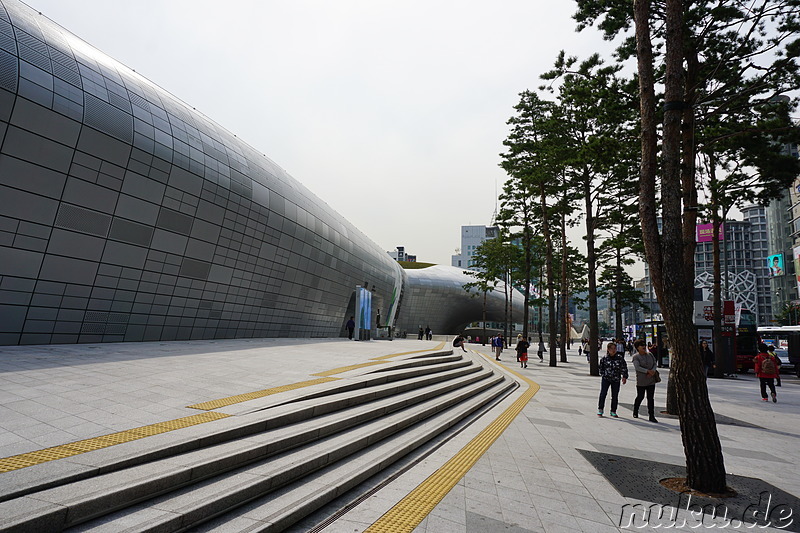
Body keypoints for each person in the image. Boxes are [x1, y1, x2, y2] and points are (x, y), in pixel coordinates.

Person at [597, 341, 628, 418]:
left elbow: (624, 368)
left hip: (616, 379)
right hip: (606, 379)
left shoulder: (620, 358)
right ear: (608, 349)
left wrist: (624, 376)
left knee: (615, 395)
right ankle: (600, 409)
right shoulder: (604, 359)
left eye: (615, 348)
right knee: (603, 394)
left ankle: (613, 410)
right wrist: (604, 374)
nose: (613, 350)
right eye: (612, 349)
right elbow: (601, 368)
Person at [632, 339, 659, 422]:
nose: (644, 346)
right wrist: (647, 371)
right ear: (637, 347)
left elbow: (655, 363)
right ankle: (635, 410)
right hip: (641, 380)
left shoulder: (650, 355)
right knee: (640, 396)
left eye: (644, 345)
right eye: (641, 345)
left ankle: (651, 415)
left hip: (651, 379)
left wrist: (653, 371)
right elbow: (637, 367)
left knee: (650, 398)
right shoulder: (636, 357)